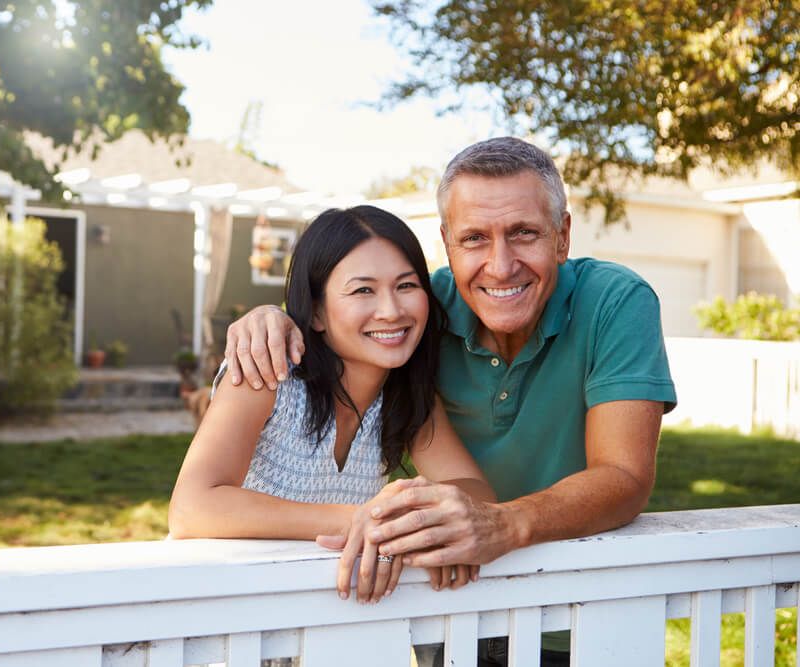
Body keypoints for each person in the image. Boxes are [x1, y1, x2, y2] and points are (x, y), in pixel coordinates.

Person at [223, 137, 677, 665]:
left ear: (563, 236)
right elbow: (344, 309)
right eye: (475, 238)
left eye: (524, 233)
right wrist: (272, 318)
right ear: (448, 243)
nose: (501, 265)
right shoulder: (419, 312)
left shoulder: (615, 302)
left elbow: (624, 477)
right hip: (453, 605)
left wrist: (502, 524)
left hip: (580, 615)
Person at [168, 205, 496, 607]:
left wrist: (404, 511)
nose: (391, 310)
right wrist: (367, 520)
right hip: (225, 609)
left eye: (406, 286)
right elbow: (191, 507)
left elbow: (479, 495)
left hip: (327, 618)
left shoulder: (407, 396)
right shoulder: (269, 373)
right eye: (363, 290)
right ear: (318, 311)